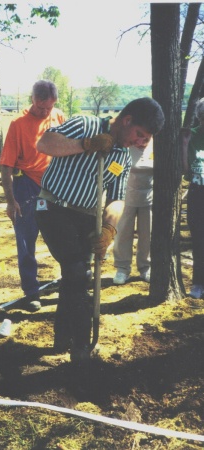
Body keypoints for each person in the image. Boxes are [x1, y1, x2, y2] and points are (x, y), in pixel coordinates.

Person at [35, 97, 165, 361]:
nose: (141, 142)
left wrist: (108, 229)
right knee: (77, 271)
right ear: (127, 120)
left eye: (146, 139)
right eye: (139, 135)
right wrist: (85, 145)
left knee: (75, 276)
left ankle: (62, 336)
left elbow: (117, 199)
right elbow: (44, 143)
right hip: (52, 207)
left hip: (86, 216)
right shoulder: (86, 124)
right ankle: (82, 346)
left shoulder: (122, 158)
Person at [0, 80, 65, 311]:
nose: (45, 111)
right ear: (33, 99)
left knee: (62, 236)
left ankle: (71, 283)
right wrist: (10, 201)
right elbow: (6, 166)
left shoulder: (58, 116)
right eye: (41, 106)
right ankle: (31, 291)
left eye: (49, 107)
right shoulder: (18, 124)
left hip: (55, 186)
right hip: (26, 187)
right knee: (26, 241)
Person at [113, 140, 153, 284]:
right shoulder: (126, 146)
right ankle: (122, 268)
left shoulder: (158, 145)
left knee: (147, 233)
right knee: (123, 233)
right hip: (126, 196)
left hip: (149, 197)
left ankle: (145, 267)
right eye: (140, 139)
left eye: (146, 139)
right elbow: (114, 168)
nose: (142, 142)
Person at [181, 97, 204, 300]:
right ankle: (198, 283)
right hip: (197, 193)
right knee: (198, 240)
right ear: (199, 116)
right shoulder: (191, 136)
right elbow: (186, 172)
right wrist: (185, 145)